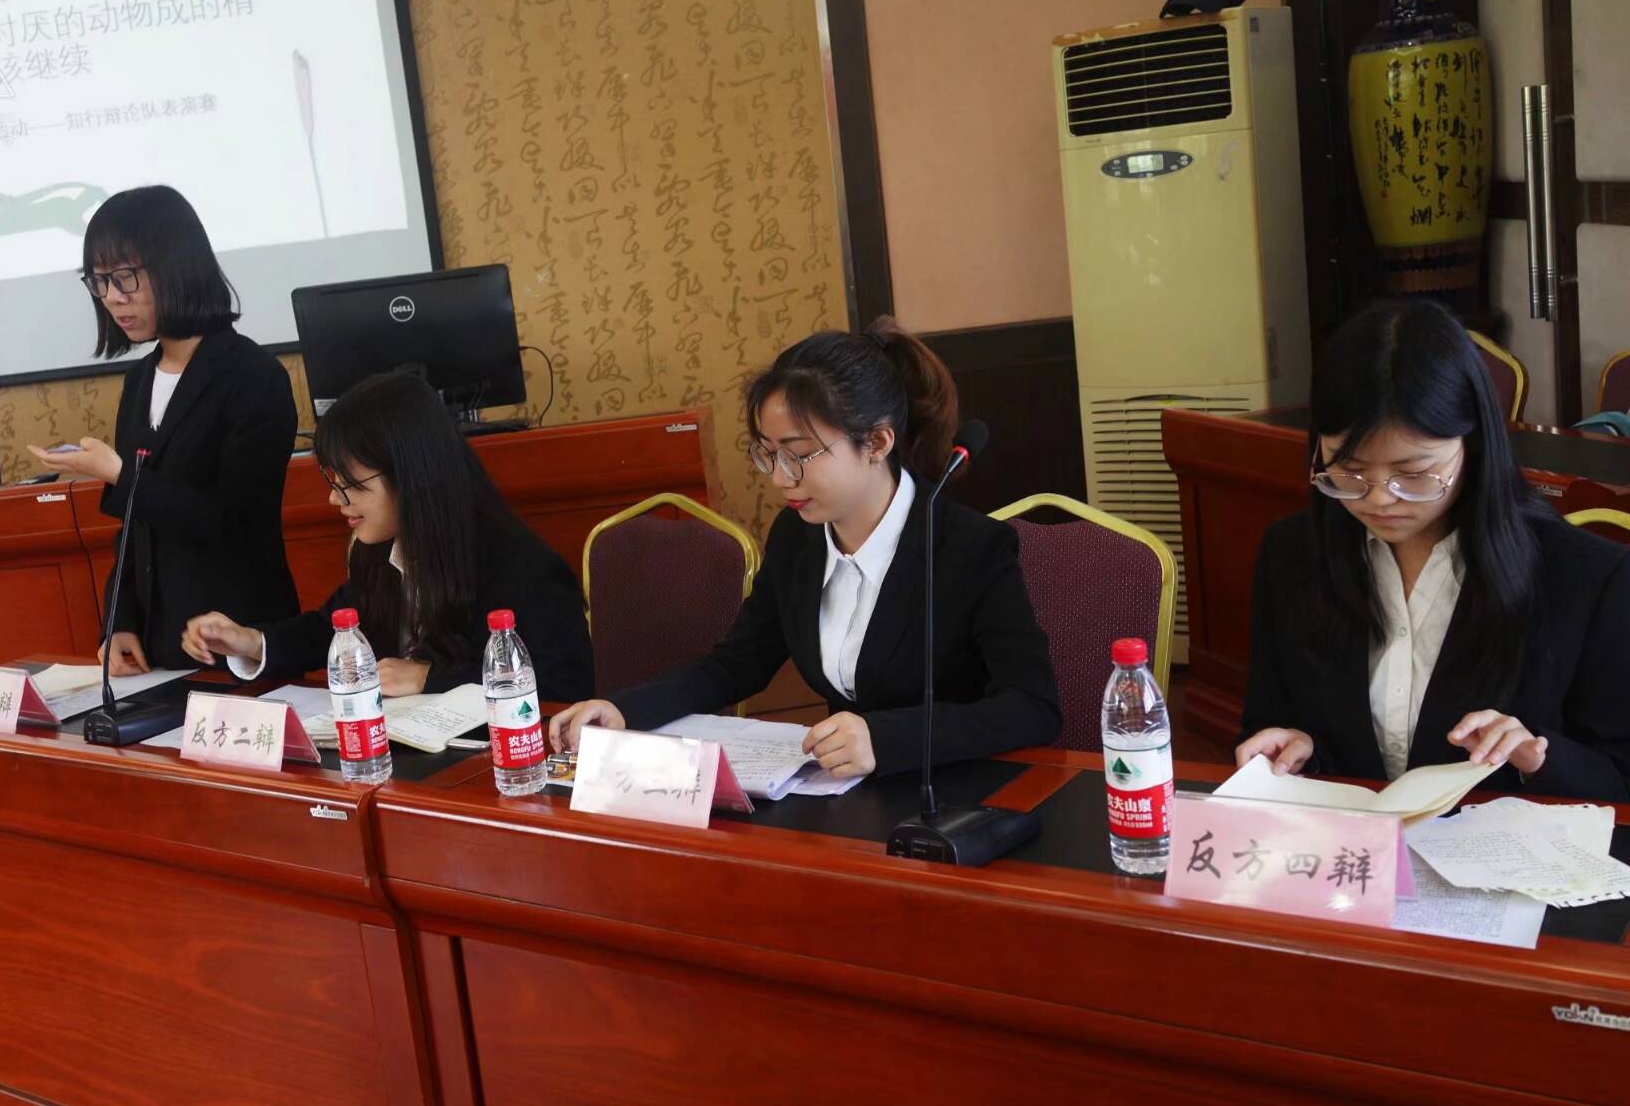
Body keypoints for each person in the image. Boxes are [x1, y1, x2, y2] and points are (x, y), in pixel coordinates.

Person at [549, 318, 1061, 778]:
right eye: (768, 454)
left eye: (799, 455)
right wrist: (625, 710)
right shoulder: (798, 536)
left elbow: (1032, 706)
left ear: (877, 443)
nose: (779, 478)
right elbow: (738, 663)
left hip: (954, 790)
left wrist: (886, 739)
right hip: (845, 793)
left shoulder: (970, 546)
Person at [1237, 298, 1630, 802]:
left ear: (1474, 444)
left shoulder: (1586, 578)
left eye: (1414, 474)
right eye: (1349, 471)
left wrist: (1537, 758)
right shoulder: (1291, 555)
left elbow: (1620, 779)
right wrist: (1296, 750)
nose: (1379, 499)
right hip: (1347, 845)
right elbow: (1270, 719)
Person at [179, 371, 595, 700]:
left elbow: (562, 686)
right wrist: (251, 642)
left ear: (413, 478)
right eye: (334, 482)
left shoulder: (522, 567)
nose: (334, 499)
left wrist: (429, 679)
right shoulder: (378, 550)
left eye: (352, 486)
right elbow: (332, 631)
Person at [29, 184, 299, 674]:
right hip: (155, 648)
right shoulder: (139, 379)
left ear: (176, 266)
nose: (112, 298)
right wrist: (119, 620)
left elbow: (234, 522)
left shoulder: (254, 376)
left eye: (125, 277)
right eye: (99, 281)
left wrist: (120, 474)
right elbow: (135, 529)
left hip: (237, 640)